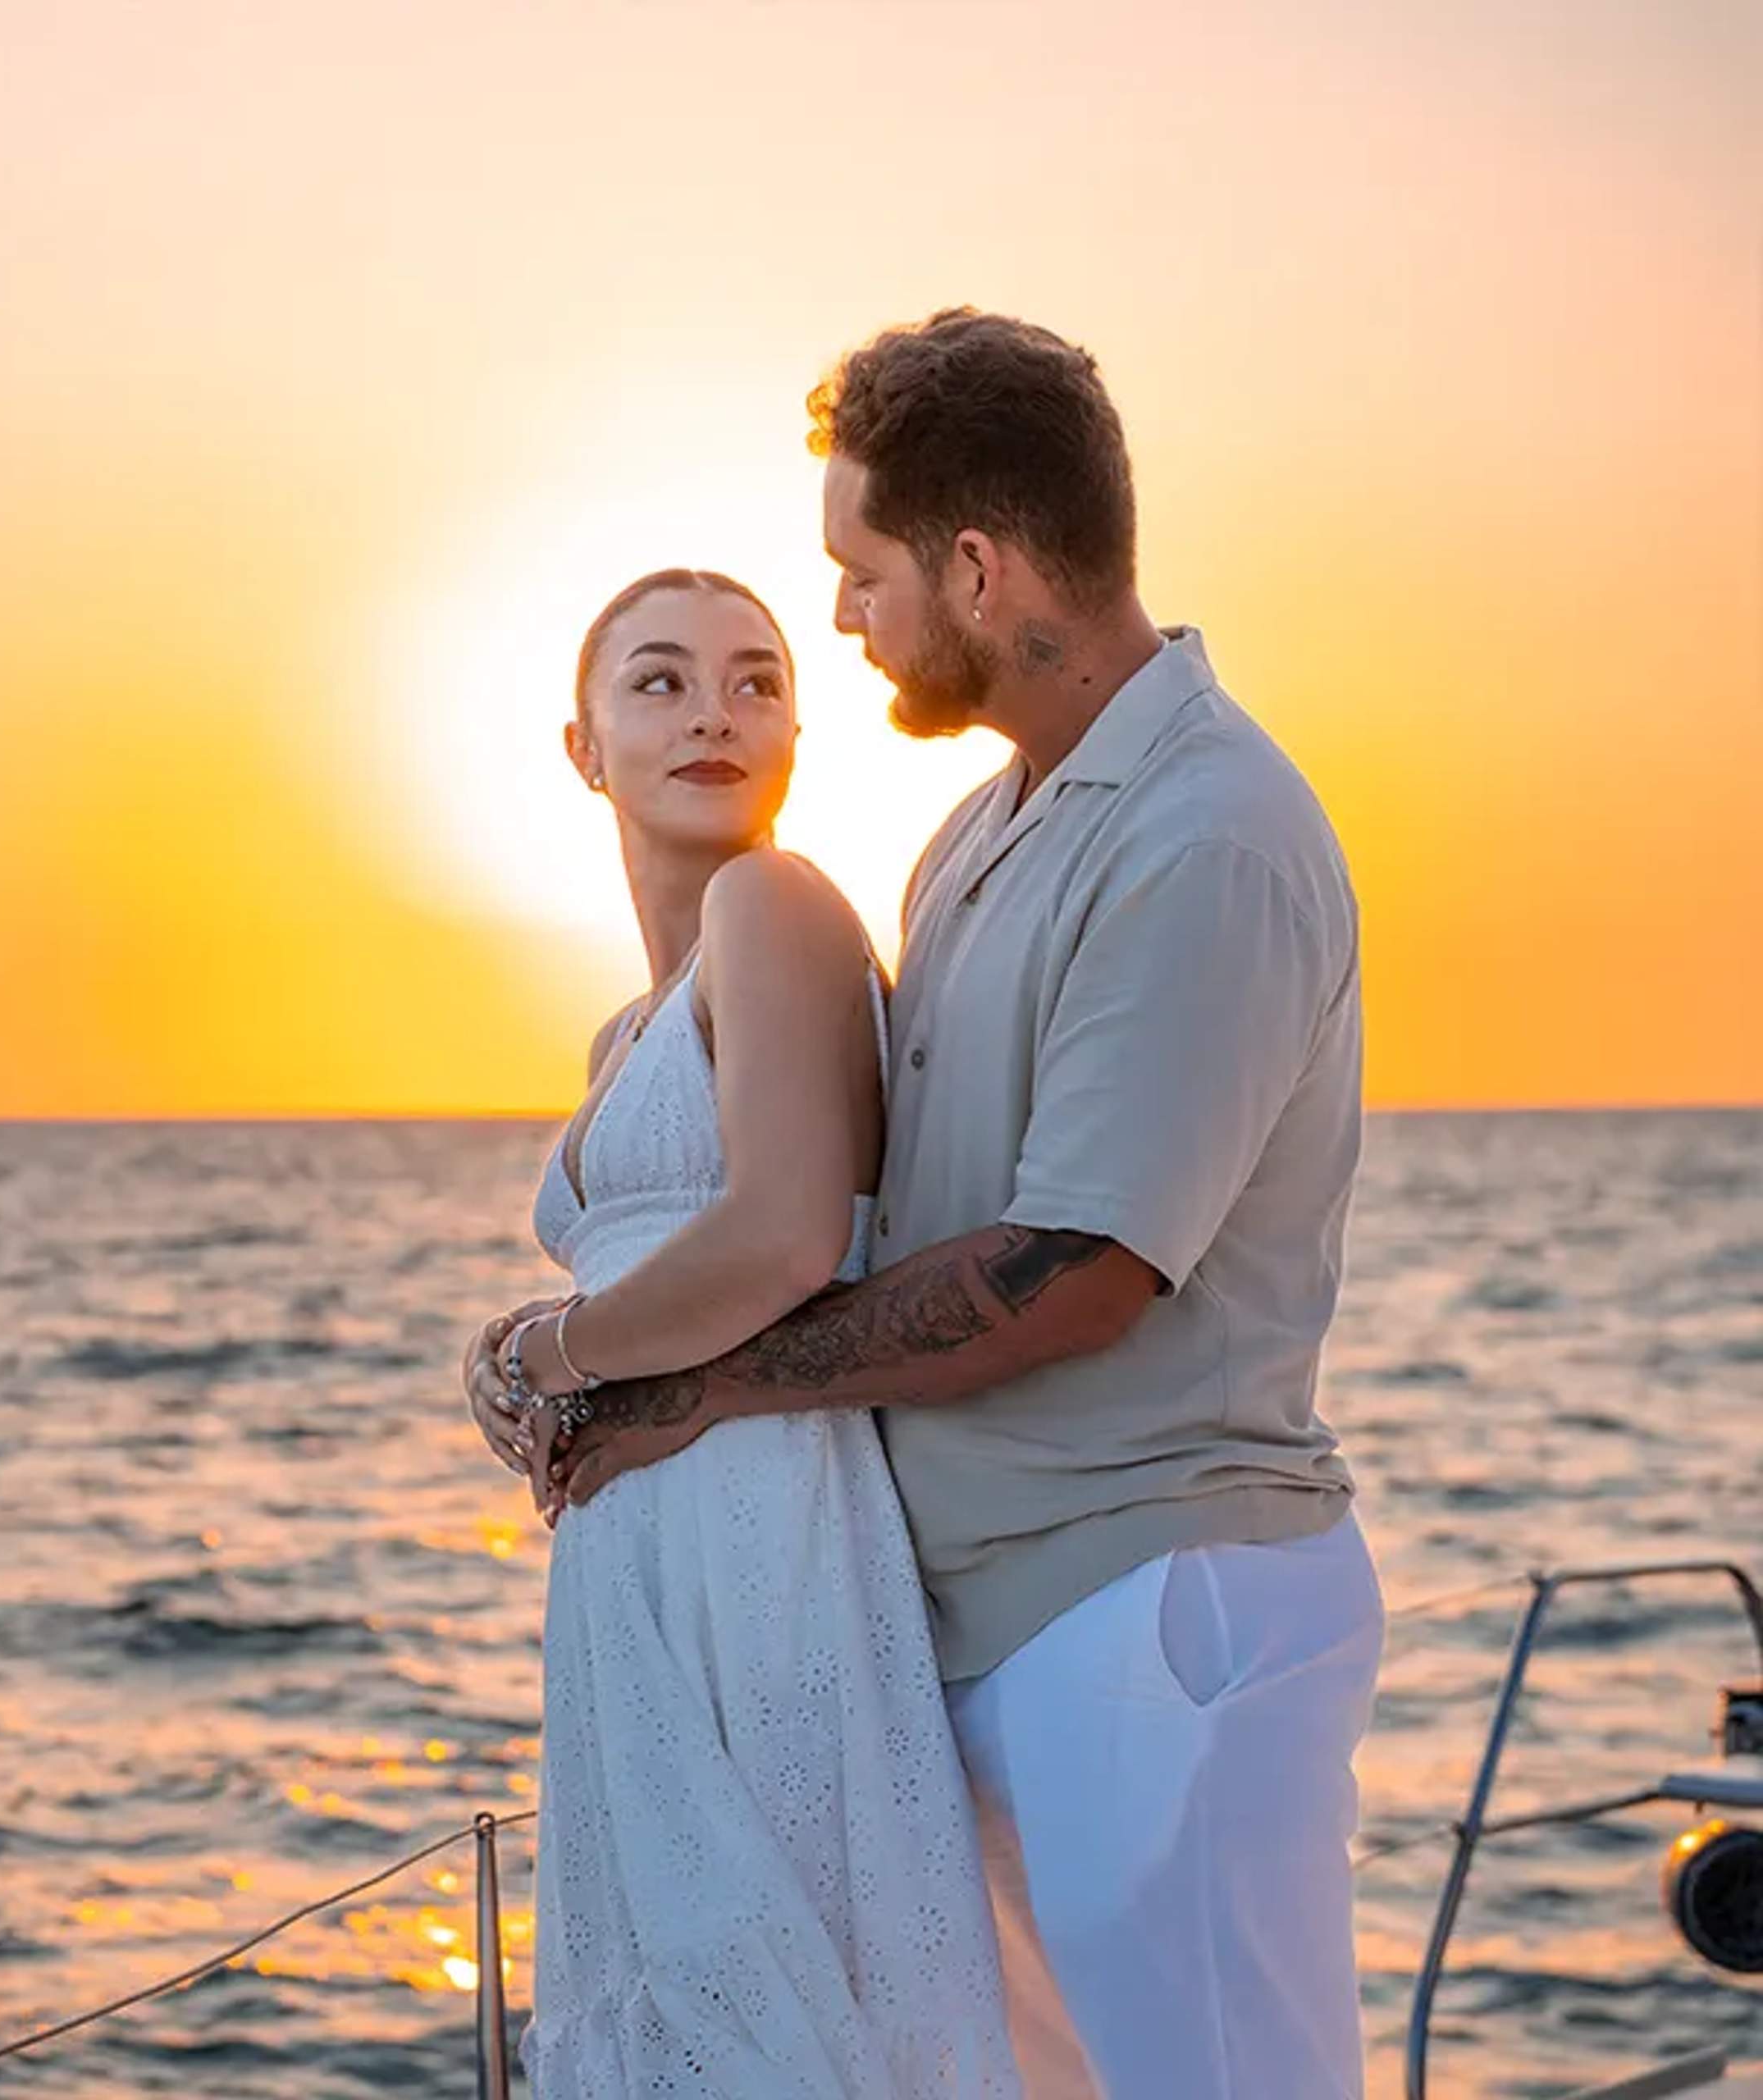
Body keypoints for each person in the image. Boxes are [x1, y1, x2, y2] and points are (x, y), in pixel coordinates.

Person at [477, 309, 1385, 2098]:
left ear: (974, 566)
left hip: (1148, 1596)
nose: (838, 619)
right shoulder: (983, 836)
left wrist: (669, 1375)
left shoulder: (1200, 829)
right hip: (979, 1620)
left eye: (858, 571)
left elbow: (1071, 1274)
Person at [464, 567, 1020, 2097]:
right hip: (638, 1560)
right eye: (659, 681)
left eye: (756, 679)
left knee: (774, 1982)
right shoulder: (622, 1032)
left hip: (763, 1521)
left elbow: (781, 1237)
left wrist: (544, 1356)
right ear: (581, 747)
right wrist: (533, 1347)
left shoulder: (772, 907)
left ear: (791, 733)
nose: (713, 708)